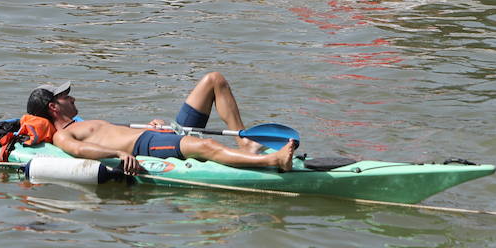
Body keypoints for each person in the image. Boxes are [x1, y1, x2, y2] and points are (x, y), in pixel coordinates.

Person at [26, 73, 296, 175]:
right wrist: (118, 154)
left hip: (156, 134)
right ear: (53, 107)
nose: (71, 97)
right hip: (146, 145)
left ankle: (245, 144)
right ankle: (273, 162)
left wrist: (150, 124)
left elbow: (112, 132)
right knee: (206, 145)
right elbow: (81, 152)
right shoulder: (62, 136)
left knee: (214, 80)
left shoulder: (79, 123)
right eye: (65, 96)